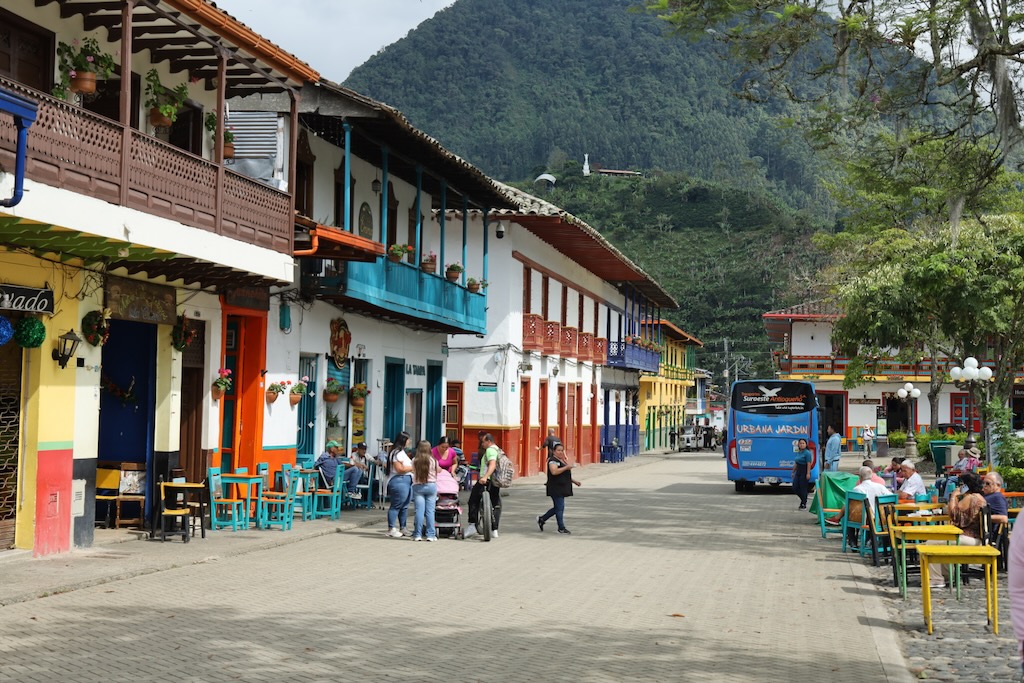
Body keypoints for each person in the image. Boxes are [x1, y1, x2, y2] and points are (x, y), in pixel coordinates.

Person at [928, 471, 988, 588]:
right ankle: (946, 576)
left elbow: (953, 514)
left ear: (966, 485)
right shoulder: (980, 497)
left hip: (970, 538)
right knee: (942, 542)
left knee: (931, 543)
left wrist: (954, 496)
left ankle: (937, 578)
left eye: (961, 484)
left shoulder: (970, 498)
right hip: (976, 537)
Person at [825, 466, 893, 527]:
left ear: (860, 477)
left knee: (849, 508)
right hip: (881, 518)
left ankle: (851, 538)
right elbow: (892, 497)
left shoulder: (857, 489)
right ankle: (837, 518)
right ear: (871, 476)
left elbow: (850, 505)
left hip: (864, 519)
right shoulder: (880, 487)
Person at [537, 442, 581, 534]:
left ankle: (542, 519)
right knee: (560, 508)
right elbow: (554, 471)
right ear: (553, 451)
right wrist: (567, 467)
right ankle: (561, 527)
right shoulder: (552, 460)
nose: (560, 452)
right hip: (555, 487)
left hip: (562, 487)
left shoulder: (561, 460)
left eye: (562, 450)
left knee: (557, 508)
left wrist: (574, 481)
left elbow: (564, 475)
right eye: (558, 450)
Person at [465, 433, 502, 539]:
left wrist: (485, 476)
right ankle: (494, 530)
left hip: (486, 481)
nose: (482, 444)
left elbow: (492, 464)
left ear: (488, 442)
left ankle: (472, 525)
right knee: (496, 504)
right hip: (495, 481)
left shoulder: (490, 450)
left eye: (483, 442)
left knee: (473, 501)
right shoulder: (498, 450)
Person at [385, 432, 413, 538]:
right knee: (396, 505)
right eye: (408, 439)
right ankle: (391, 528)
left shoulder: (402, 452)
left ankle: (403, 527)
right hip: (399, 481)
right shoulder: (396, 453)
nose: (409, 442)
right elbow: (399, 469)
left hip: (407, 480)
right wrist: (413, 468)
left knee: (404, 506)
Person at [411, 440, 439, 541]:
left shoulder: (415, 460)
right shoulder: (433, 460)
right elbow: (437, 471)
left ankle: (417, 534)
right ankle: (430, 535)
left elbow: (413, 471)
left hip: (418, 487)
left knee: (419, 511)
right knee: (430, 511)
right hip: (431, 486)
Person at [791, 438, 813, 510]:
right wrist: (793, 472)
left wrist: (808, 473)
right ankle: (803, 499)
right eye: (800, 443)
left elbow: (809, 463)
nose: (802, 445)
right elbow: (796, 463)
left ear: (806, 444)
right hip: (798, 471)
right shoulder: (799, 452)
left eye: (803, 443)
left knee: (803, 488)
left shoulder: (807, 453)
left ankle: (804, 503)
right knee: (795, 487)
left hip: (804, 470)